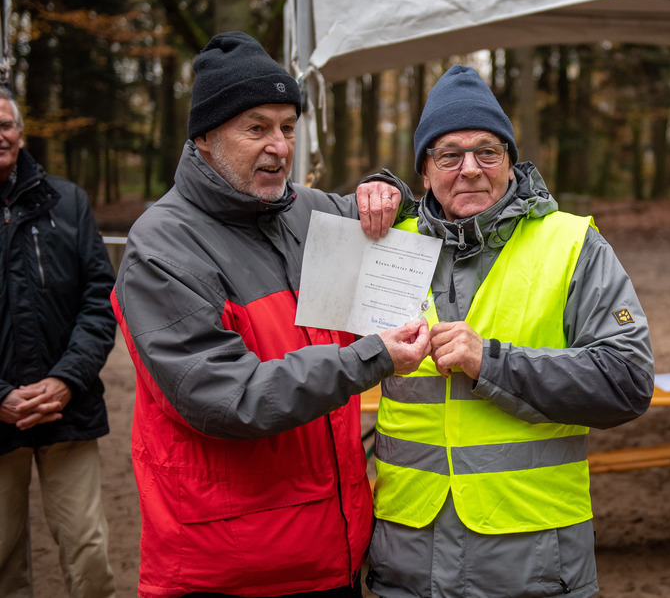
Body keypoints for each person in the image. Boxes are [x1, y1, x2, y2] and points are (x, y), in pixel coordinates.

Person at [112, 31, 430, 597]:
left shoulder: (301, 210)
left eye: (287, 126)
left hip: (331, 554)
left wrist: (385, 190)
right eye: (255, 127)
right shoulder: (163, 246)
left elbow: (380, 212)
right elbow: (226, 396)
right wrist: (371, 357)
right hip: (230, 571)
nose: (279, 146)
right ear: (206, 137)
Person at [366, 65, 656, 598]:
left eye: (488, 152)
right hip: (407, 559)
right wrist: (370, 194)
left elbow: (628, 382)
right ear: (424, 172)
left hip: (532, 561)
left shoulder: (571, 244)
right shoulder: (383, 247)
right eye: (449, 155)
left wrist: (494, 362)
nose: (470, 169)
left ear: (511, 162)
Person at [0, 87, 118, 598]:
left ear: (20, 133)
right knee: (2, 553)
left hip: (67, 408)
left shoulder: (68, 201)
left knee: (87, 548)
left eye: (5, 123)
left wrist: (67, 379)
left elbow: (100, 300)